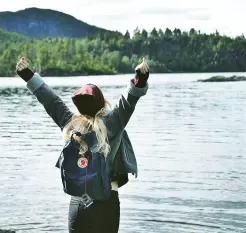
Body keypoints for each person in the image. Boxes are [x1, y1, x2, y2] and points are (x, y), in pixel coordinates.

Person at [16, 57, 150, 233]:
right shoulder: (113, 122)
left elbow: (50, 100)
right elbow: (128, 100)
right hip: (106, 202)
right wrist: (141, 78)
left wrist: (28, 75)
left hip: (78, 202)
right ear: (102, 101)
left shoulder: (71, 123)